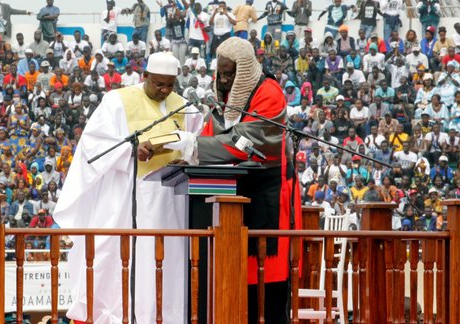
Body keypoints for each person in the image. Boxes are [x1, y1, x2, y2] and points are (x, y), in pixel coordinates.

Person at [54, 52, 203, 323]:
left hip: (172, 201)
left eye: (170, 84)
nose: (164, 90)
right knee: (119, 260)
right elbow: (94, 145)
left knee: (170, 264)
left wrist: (187, 152)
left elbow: (199, 142)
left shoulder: (184, 106)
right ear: (145, 76)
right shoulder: (117, 101)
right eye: (158, 83)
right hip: (128, 196)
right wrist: (132, 150)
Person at [181, 37, 301, 323]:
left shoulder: (269, 93)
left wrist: (194, 146)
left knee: (265, 281)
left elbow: (244, 141)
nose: (222, 80)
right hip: (232, 199)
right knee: (233, 283)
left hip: (269, 196)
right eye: (219, 73)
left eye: (228, 73)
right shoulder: (221, 102)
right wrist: (187, 155)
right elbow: (213, 137)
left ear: (244, 71)